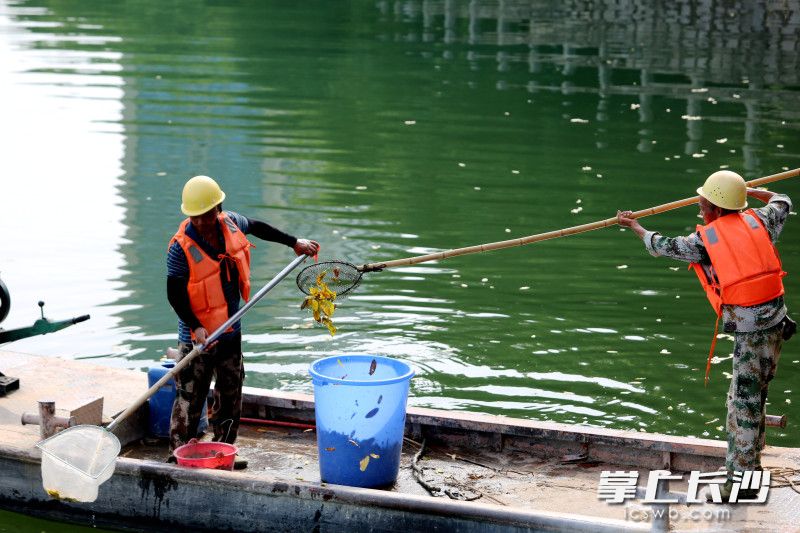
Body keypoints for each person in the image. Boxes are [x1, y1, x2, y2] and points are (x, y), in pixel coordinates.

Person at [617, 170, 794, 501]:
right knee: (756, 398)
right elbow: (782, 200)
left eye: (703, 203)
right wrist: (751, 192)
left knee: (742, 405)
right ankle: (751, 471)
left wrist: (635, 226)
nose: (699, 207)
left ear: (714, 208)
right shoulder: (761, 220)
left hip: (751, 335)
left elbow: (663, 246)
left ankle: (739, 485)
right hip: (777, 326)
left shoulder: (705, 242)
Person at [166, 175, 319, 469]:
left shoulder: (231, 223)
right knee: (189, 396)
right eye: (195, 217)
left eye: (207, 215)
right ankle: (178, 453)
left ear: (218, 209)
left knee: (230, 392)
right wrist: (196, 327)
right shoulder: (180, 248)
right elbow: (174, 295)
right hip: (196, 335)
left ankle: (225, 449)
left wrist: (293, 243)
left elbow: (258, 227)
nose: (201, 222)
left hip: (230, 330)